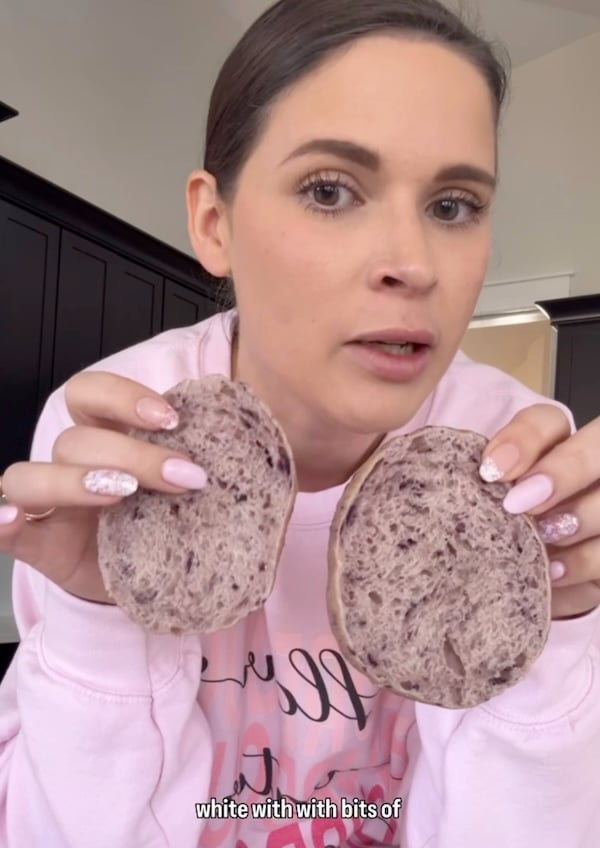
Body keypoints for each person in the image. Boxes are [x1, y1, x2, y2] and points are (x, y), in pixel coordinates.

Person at [1, 0, 599, 845]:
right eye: (330, 190)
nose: (412, 264)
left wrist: (553, 646)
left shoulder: (518, 455)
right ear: (214, 223)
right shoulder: (118, 429)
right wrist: (97, 621)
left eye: (453, 205)